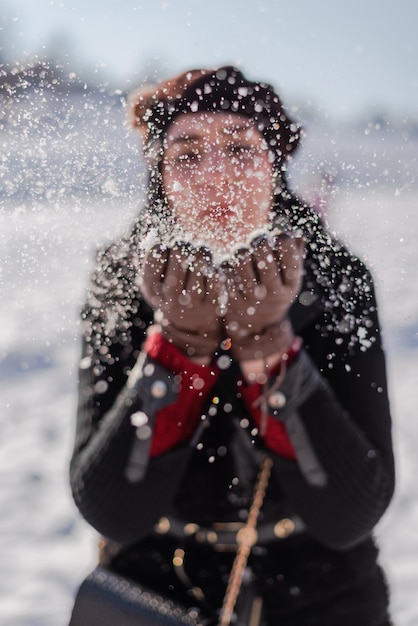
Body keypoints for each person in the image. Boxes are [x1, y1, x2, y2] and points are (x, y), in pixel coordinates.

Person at [69, 66, 395, 625]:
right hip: (149, 586)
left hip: (323, 591)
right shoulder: (121, 279)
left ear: (275, 167)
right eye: (188, 155)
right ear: (161, 175)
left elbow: (351, 512)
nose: (215, 176)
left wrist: (269, 349)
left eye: (241, 149)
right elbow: (111, 509)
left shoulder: (337, 278)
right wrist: (178, 347)